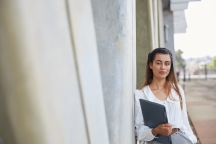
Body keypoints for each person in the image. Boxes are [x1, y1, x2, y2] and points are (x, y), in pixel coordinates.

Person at [134, 48, 197, 144]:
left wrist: (192, 139)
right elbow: (138, 131)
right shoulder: (141, 94)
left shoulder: (177, 90)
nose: (163, 67)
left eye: (167, 63)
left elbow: (184, 121)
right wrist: (155, 130)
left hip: (181, 139)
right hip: (156, 141)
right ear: (151, 65)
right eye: (158, 63)